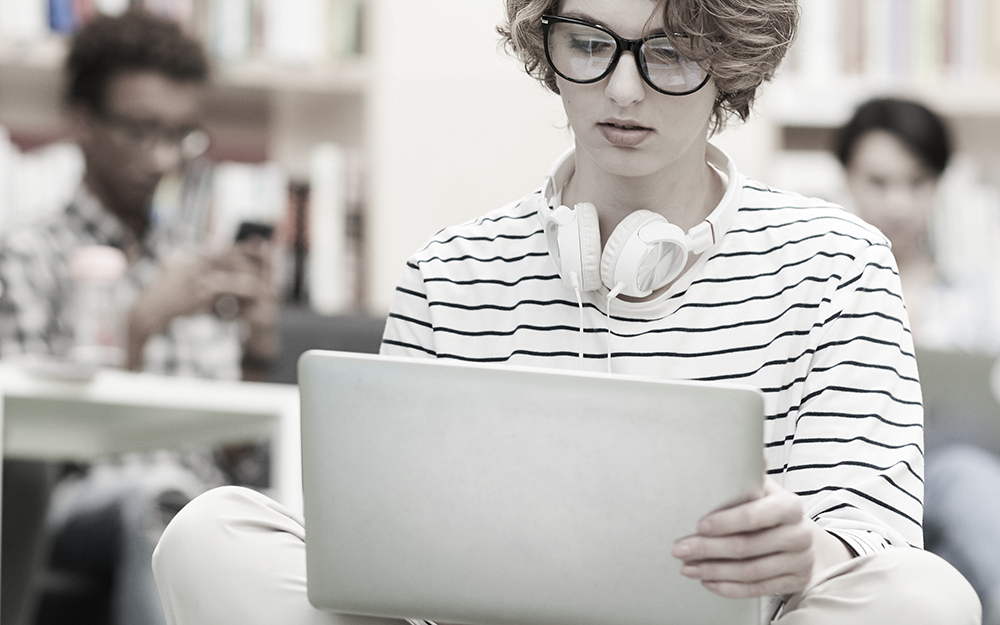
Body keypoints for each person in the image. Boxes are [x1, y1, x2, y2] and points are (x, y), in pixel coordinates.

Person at [151, 1, 980, 623]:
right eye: (589, 43)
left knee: (927, 594)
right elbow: (378, 543)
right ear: (546, 46)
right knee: (209, 533)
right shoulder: (449, 269)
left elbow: (874, 529)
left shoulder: (839, 262)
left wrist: (805, 551)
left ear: (729, 59)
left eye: (669, 52)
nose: (622, 88)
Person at [0, 9, 278, 625]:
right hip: (83, 504)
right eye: (138, 130)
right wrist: (136, 325)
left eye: (179, 135)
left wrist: (257, 350)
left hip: (196, 501)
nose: (160, 158)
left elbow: (239, 462)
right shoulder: (25, 257)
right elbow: (27, 460)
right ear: (81, 122)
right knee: (160, 503)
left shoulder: (195, 266)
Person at [836, 96, 1000, 625]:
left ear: (939, 185)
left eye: (917, 182)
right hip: (847, 478)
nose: (899, 204)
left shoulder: (982, 299)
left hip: (954, 478)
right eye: (879, 182)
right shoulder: (824, 290)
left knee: (967, 483)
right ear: (847, 178)